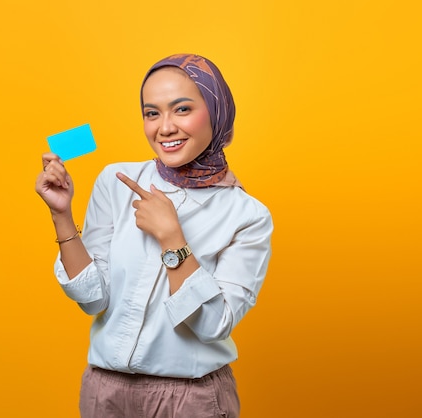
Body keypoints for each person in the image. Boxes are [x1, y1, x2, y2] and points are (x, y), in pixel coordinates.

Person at [35, 53, 273, 417]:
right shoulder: (115, 181)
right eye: (152, 113)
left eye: (181, 109)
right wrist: (61, 214)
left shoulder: (248, 215)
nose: (164, 128)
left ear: (217, 110)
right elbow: (92, 300)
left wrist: (171, 237)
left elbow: (214, 325)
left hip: (190, 399)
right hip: (104, 393)